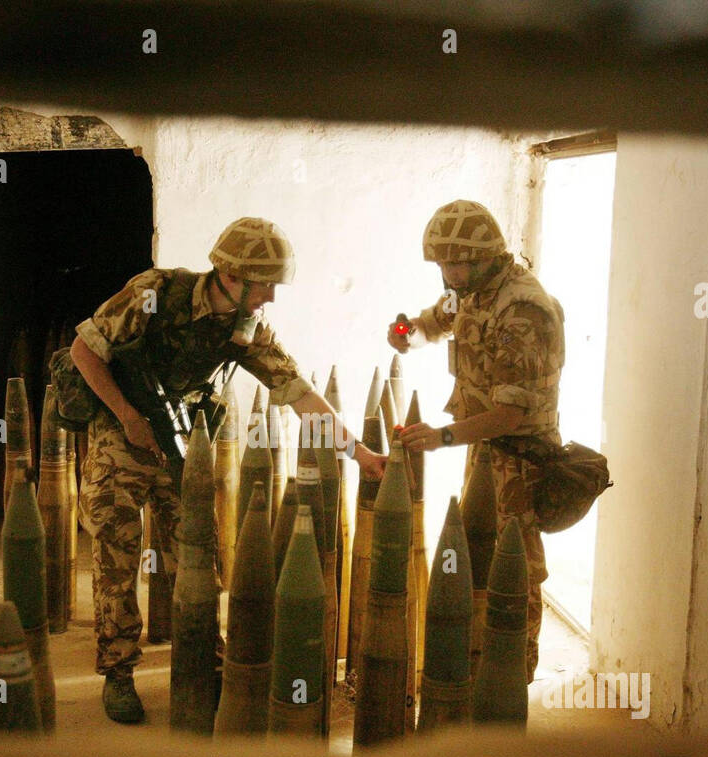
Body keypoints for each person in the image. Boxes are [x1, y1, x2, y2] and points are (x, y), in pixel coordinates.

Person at [71, 217, 386, 723]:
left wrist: (363, 454)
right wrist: (128, 417)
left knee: (195, 554)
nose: (271, 297)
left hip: (181, 443)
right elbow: (85, 349)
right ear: (234, 276)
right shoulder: (154, 292)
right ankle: (119, 671)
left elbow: (299, 393)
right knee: (115, 551)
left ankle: (203, 657)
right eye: (266, 285)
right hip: (122, 438)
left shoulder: (247, 330)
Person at [394, 200, 565, 685]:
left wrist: (442, 436)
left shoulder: (523, 309)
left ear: (487, 256)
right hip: (486, 451)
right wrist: (407, 333)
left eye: (456, 263)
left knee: (516, 572)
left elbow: (511, 413)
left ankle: (514, 678)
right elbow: (434, 322)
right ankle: (479, 669)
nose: (448, 274)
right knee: (480, 558)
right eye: (442, 264)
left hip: (520, 459)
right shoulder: (471, 291)